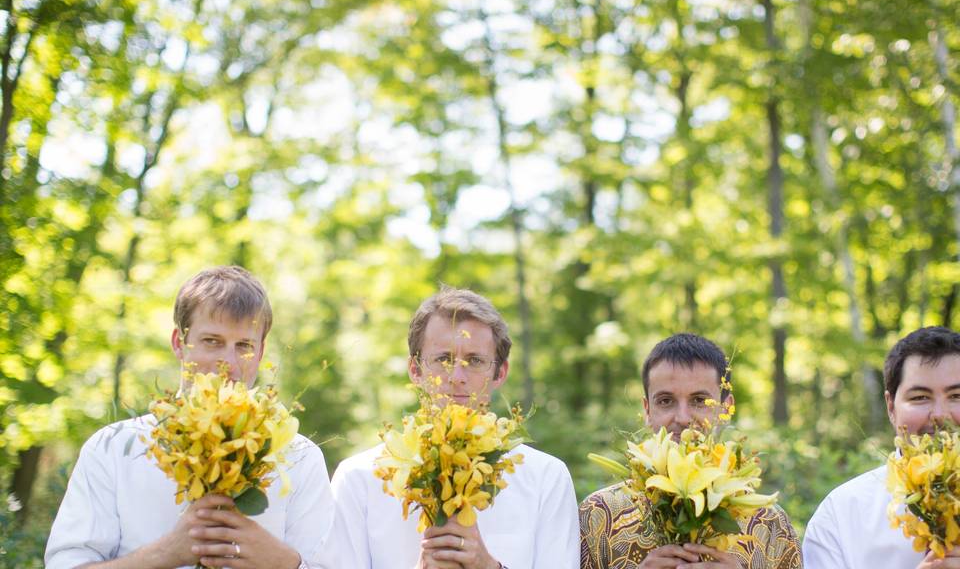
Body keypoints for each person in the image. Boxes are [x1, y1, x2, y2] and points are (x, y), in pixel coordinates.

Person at [45, 266, 336, 569]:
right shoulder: (113, 448)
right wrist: (164, 554)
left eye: (244, 346)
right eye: (212, 341)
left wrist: (283, 563)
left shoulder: (300, 459)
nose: (229, 363)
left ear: (261, 352)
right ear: (178, 343)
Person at [331, 286, 580, 568]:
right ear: (415, 370)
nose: (457, 377)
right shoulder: (359, 479)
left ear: (499, 372)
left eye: (475, 361)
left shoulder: (546, 478)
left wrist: (487, 567)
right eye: (443, 360)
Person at [580, 333, 802, 569]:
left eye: (698, 401)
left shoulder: (768, 522)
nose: (683, 418)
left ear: (726, 408)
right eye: (665, 401)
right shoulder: (599, 515)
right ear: (647, 410)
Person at [803, 325, 960, 569]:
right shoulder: (840, 515)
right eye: (920, 397)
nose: (940, 415)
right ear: (891, 407)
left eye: (957, 396)